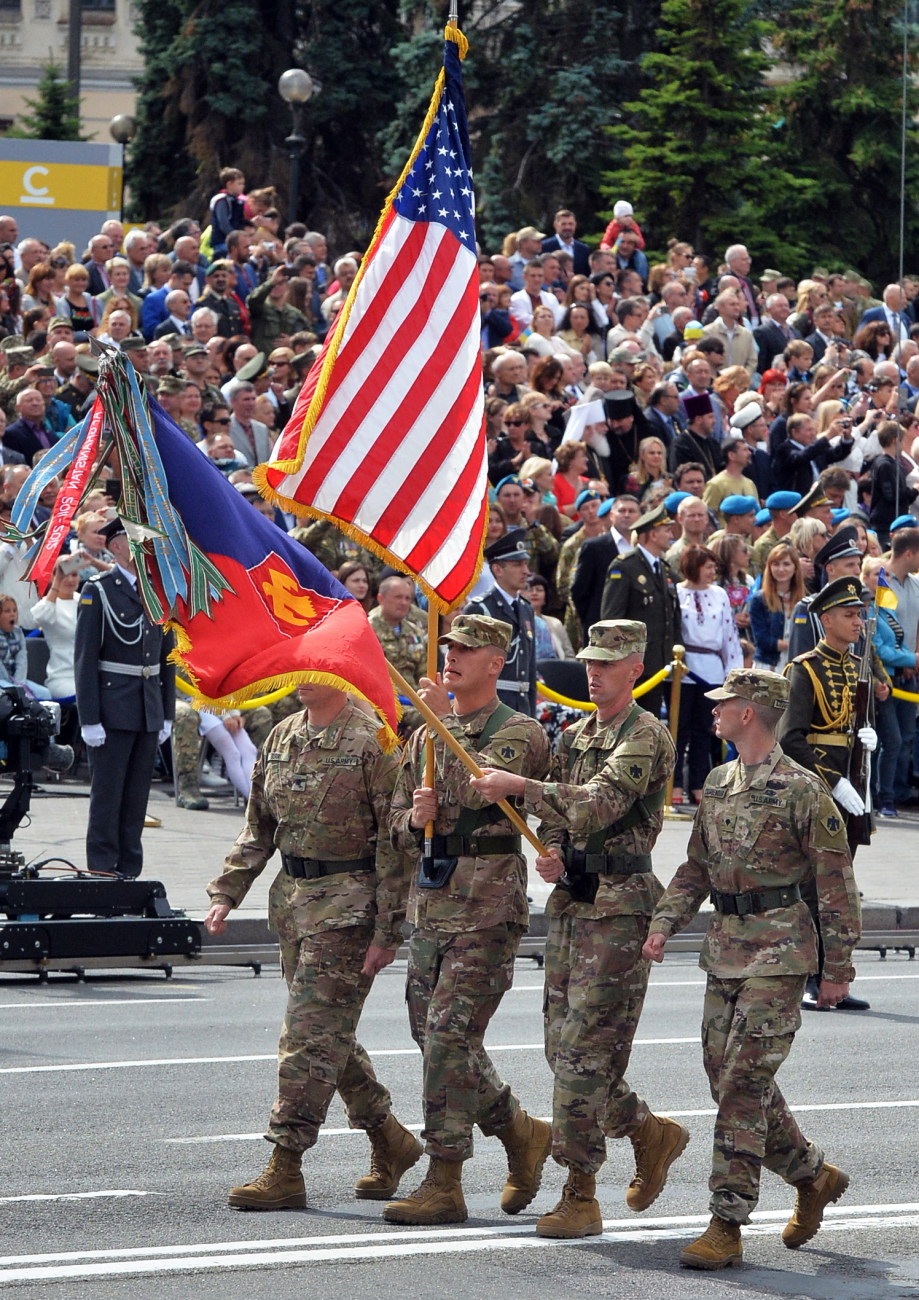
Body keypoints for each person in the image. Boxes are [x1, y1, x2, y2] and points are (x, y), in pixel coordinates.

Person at [470, 619, 688, 1239]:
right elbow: (566, 822)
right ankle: (648, 1130)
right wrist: (555, 851)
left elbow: (598, 803)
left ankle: (580, 1191)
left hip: (620, 910)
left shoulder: (645, 735)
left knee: (586, 1056)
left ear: (635, 667)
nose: (592, 672)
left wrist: (521, 786)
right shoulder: (577, 734)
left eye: (606, 663)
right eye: (589, 661)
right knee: (561, 1051)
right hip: (573, 902)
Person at [643, 668, 860, 1270]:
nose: (714, 710)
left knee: (741, 1083)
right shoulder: (717, 782)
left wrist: (837, 968)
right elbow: (695, 868)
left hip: (782, 950)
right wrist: (664, 922)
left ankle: (726, 1222)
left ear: (752, 713)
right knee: (728, 1076)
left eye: (725, 703)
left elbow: (836, 883)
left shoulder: (801, 790)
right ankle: (812, 1175)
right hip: (726, 948)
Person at [204, 679, 420, 1211]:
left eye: (313, 668)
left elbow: (397, 846)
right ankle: (390, 1139)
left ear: (339, 673)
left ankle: (286, 1163)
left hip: (349, 908)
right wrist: (227, 891)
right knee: (328, 1036)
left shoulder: (373, 743)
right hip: (294, 905)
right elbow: (258, 826)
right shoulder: (280, 737)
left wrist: (389, 930)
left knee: (306, 1035)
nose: (300, 679)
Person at [384, 615, 551, 1226]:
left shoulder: (517, 730)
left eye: (467, 650)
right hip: (432, 903)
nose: (452, 657)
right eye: (449, 647)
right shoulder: (429, 733)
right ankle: (520, 1131)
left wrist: (434, 725)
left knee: (450, 1038)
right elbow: (402, 811)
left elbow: (483, 786)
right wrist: (411, 817)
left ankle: (444, 1177)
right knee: (430, 1038)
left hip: (486, 906)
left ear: (495, 663)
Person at [778, 577, 878, 1012]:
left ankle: (832, 977)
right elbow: (791, 738)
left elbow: (851, 726)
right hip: (818, 789)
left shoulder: (857, 666)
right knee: (812, 889)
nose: (858, 622)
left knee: (839, 889)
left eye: (859, 614)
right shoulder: (805, 669)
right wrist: (832, 780)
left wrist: (865, 741)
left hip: (851, 787)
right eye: (849, 615)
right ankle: (806, 976)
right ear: (827, 620)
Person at [74, 517, 175, 877]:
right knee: (108, 794)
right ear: (116, 546)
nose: (146, 549)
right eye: (137, 542)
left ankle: (129, 867)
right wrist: (89, 719)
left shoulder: (157, 590)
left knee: (136, 797)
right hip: (112, 707)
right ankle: (102, 867)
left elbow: (167, 658)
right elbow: (86, 660)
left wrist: (166, 713)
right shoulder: (99, 590)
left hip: (147, 706)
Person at [672, 547, 743, 806]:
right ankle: (675, 782)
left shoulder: (719, 595)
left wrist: (731, 673)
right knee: (678, 729)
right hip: (683, 669)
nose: (713, 571)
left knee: (704, 729)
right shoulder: (677, 593)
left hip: (711, 668)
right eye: (708, 566)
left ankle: (699, 782)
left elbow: (729, 634)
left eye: (714, 566)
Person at [600, 503, 681, 719]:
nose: (671, 535)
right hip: (633, 666)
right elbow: (612, 618)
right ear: (652, 534)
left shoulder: (662, 568)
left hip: (659, 663)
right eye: (666, 530)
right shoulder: (625, 566)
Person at [464, 530, 537, 716]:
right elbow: (468, 668)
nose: (526, 571)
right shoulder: (481, 609)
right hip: (491, 707)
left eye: (525, 564)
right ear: (497, 569)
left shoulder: (526, 608)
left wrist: (531, 713)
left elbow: (529, 668)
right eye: (518, 565)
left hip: (521, 707)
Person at [749, 542, 804, 671]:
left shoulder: (803, 601)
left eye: (786, 564)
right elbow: (761, 640)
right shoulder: (759, 599)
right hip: (768, 664)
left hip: (795, 664)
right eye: (776, 564)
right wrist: (791, 645)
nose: (781, 569)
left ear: (795, 568)